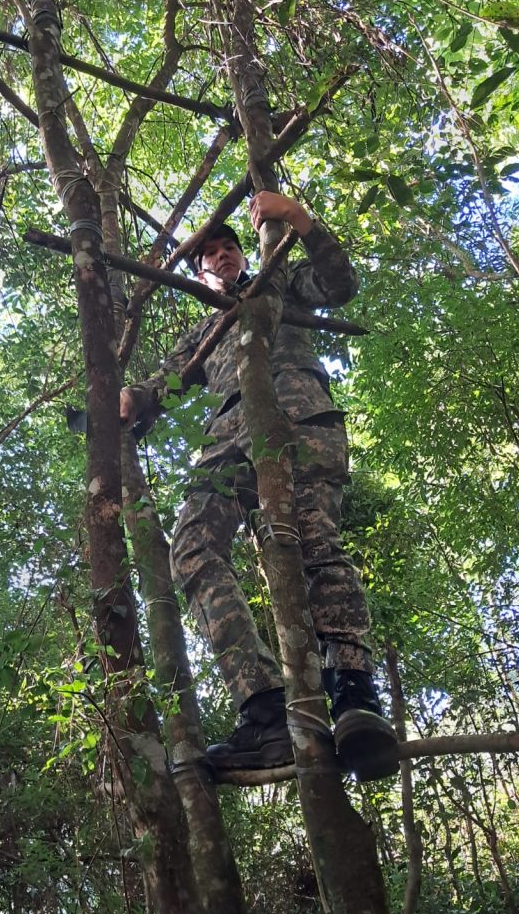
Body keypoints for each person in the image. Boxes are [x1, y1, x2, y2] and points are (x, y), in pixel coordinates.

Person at [120, 191, 398, 781]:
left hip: (298, 418)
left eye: (228, 249)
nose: (220, 258)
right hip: (227, 439)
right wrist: (130, 398)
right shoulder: (203, 325)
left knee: (315, 544)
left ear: (244, 254)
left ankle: (353, 694)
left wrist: (298, 219)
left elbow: (339, 285)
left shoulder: (277, 280)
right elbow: (165, 383)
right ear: (199, 270)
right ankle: (265, 709)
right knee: (191, 546)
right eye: (209, 254)